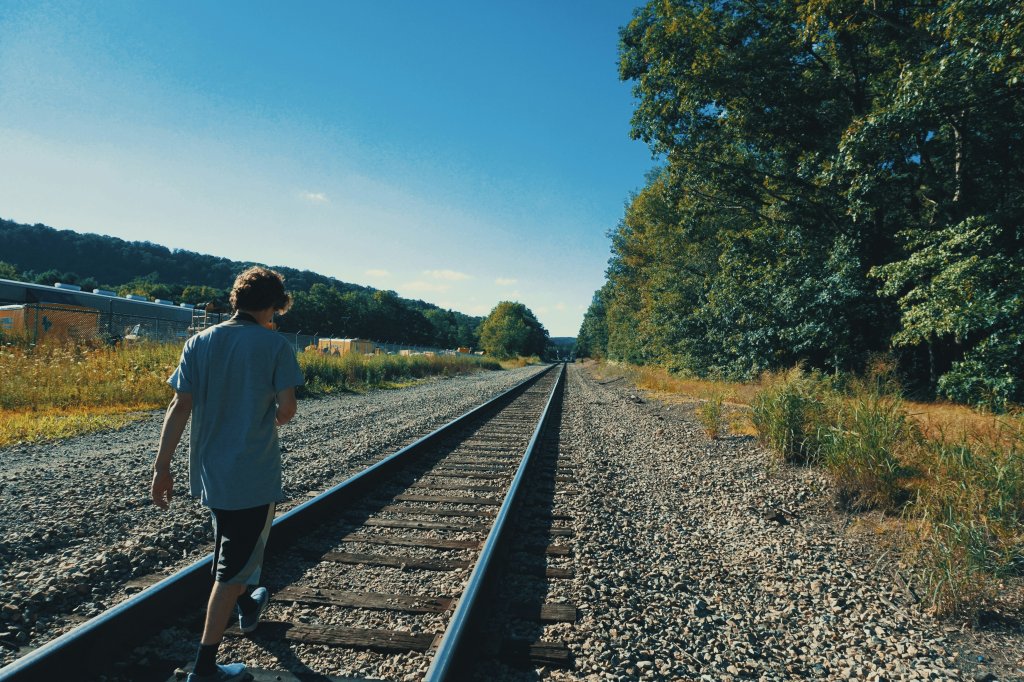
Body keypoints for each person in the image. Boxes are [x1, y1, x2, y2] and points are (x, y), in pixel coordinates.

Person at [151, 266, 304, 682]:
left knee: (233, 547)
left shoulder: (198, 342)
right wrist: (266, 415)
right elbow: (287, 410)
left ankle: (250, 604)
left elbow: (179, 407)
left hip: (210, 474)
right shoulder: (275, 346)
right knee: (231, 567)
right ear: (273, 305)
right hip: (252, 474)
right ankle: (205, 667)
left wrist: (162, 467)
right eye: (277, 309)